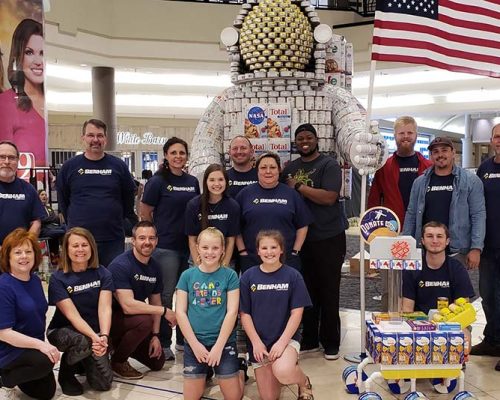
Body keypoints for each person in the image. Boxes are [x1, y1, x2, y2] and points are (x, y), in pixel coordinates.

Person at [282, 123, 348, 360]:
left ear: (316, 139)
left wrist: (298, 186)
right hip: (303, 240)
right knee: (306, 292)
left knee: (329, 291)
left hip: (329, 237)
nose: (304, 141)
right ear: (295, 143)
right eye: (300, 139)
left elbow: (329, 197)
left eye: (308, 137)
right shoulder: (290, 167)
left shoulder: (328, 164)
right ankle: (309, 339)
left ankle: (331, 342)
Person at [140, 137, 199, 359]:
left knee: (189, 296)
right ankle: (164, 342)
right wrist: (153, 236)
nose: (178, 157)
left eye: (182, 153)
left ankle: (185, 341)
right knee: (165, 297)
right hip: (166, 247)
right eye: (173, 153)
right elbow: (145, 211)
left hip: (190, 247)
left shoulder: (192, 181)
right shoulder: (157, 181)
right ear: (166, 155)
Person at [240, 230, 313, 400]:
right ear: (257, 251)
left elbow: (297, 314)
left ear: (281, 250)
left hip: (285, 340)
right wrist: (256, 343)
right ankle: (277, 368)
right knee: (269, 397)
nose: (269, 251)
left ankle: (303, 382)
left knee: (284, 372)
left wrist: (281, 343)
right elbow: (244, 314)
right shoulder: (248, 277)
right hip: (260, 344)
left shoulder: (293, 276)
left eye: (274, 247)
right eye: (264, 248)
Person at [56, 119, 136, 267]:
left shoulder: (119, 166)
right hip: (79, 239)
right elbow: (63, 200)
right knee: (82, 282)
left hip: (112, 237)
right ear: (83, 138)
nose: (95, 140)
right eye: (91, 135)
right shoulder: (69, 167)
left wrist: (118, 216)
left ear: (105, 139)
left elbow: (128, 198)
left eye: (100, 136)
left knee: (112, 281)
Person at [176, 227, 243, 400]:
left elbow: (232, 312)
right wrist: (195, 345)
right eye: (205, 247)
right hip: (195, 344)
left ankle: (240, 371)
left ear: (222, 249)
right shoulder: (187, 276)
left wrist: (219, 346)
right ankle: (206, 373)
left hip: (223, 343)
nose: (210, 252)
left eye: (215, 248)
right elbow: (181, 313)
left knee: (234, 397)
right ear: (197, 247)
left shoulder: (230, 276)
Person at [47, 228, 114, 395]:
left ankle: (82, 360)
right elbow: (73, 317)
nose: (80, 249)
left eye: (84, 245)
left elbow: (105, 308)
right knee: (82, 342)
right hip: (63, 331)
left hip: (95, 334)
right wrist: (94, 338)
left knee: (103, 384)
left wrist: (103, 336)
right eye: (75, 245)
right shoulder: (58, 278)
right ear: (66, 250)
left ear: (92, 248)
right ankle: (66, 374)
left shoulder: (102, 273)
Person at [403, 136, 485, 269]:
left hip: (457, 251)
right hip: (425, 250)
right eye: (435, 152)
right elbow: (411, 214)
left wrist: (476, 248)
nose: (440, 155)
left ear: (453, 153)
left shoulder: (471, 181)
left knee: (457, 289)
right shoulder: (419, 182)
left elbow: (478, 215)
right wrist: (405, 242)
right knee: (426, 287)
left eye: (444, 150)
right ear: (431, 156)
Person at [108, 221, 176, 380]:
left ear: (156, 241)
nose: (147, 242)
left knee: (157, 362)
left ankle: (117, 348)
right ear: (133, 241)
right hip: (110, 322)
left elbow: (156, 302)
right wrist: (165, 311)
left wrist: (156, 336)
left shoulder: (155, 267)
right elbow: (128, 306)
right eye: (142, 238)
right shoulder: (120, 265)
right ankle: (118, 361)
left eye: (151, 238)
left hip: (131, 321)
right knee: (145, 321)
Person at [0, 228, 59, 399]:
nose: (24, 256)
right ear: (8, 257)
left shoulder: (34, 280)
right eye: (17, 252)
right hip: (9, 349)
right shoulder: (4, 286)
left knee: (45, 393)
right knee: (44, 362)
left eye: (28, 251)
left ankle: (17, 373)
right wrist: (42, 346)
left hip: (30, 347)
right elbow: (4, 333)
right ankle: (5, 380)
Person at [236, 152, 313, 272]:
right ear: (257, 171)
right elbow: (235, 227)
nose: (268, 171)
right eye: (263, 167)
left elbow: (303, 225)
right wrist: (242, 252)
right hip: (252, 260)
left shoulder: (291, 194)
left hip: (286, 260)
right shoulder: (245, 194)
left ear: (279, 170)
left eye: (272, 167)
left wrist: (295, 251)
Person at [368, 116, 432, 225]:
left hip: (423, 226)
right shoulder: (384, 167)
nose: (406, 136)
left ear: (416, 135)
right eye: (401, 133)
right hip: (393, 226)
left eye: (410, 133)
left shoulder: (429, 167)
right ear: (394, 136)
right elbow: (374, 200)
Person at [0, 19, 46, 167]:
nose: (38, 61)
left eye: (42, 53)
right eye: (29, 52)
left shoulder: (50, 104)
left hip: (46, 188)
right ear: (19, 56)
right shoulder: (5, 103)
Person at [402, 221, 475, 315]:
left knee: (465, 330)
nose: (435, 241)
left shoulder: (457, 269)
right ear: (422, 241)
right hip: (419, 324)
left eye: (439, 236)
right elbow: (407, 309)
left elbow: (463, 310)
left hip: (451, 322)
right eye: (429, 236)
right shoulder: (412, 268)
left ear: (447, 241)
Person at [473, 123, 500, 366]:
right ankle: (492, 340)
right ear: (491, 140)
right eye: (497, 136)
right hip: (489, 245)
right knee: (488, 295)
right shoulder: (485, 169)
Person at [185, 164, 240, 267]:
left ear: (226, 182)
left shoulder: (233, 206)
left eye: (220, 179)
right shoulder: (194, 205)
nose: (217, 184)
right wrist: (199, 267)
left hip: (224, 261)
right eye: (212, 180)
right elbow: (192, 240)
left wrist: (224, 267)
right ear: (206, 182)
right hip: (198, 261)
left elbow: (231, 240)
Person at [0, 141, 45, 247]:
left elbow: (36, 223)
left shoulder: (28, 189)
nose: (6, 162)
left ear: (18, 161)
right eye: (2, 157)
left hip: (19, 254)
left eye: (11, 158)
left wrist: (25, 245)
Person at [38, 189, 66, 255]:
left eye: (45, 195)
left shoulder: (49, 208)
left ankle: (56, 253)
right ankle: (56, 253)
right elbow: (42, 220)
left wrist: (50, 219)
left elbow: (56, 219)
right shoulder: (37, 208)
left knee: (66, 227)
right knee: (62, 232)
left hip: (53, 227)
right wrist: (52, 218)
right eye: (42, 195)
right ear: (37, 197)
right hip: (44, 230)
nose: (44, 196)